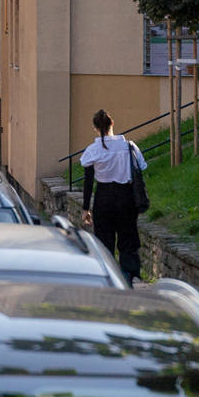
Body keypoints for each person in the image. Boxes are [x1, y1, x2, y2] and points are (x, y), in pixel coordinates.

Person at [80, 109, 147, 286]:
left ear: (95, 128)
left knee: (104, 241)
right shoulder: (129, 146)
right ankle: (127, 276)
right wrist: (139, 205)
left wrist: (86, 209)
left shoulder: (93, 151)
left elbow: (88, 183)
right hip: (127, 199)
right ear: (112, 124)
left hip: (103, 199)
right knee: (128, 240)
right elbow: (140, 171)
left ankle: (107, 277)